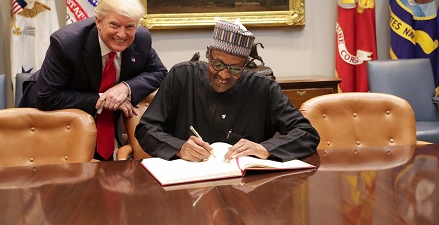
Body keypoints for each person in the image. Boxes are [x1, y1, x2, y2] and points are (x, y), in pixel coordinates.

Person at [136, 19, 320, 162]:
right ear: (208, 55)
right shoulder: (181, 76)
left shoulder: (263, 89)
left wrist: (265, 149)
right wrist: (178, 147)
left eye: (235, 69)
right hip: (187, 186)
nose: (224, 74)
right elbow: (146, 129)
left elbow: (307, 133)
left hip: (245, 188)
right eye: (217, 64)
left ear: (245, 65)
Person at [19, 0, 168, 160]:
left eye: (129, 26)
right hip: (49, 118)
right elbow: (47, 97)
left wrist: (125, 88)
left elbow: (160, 73)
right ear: (98, 21)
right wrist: (103, 99)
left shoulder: (141, 39)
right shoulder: (66, 43)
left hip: (103, 126)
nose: (121, 34)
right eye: (114, 25)